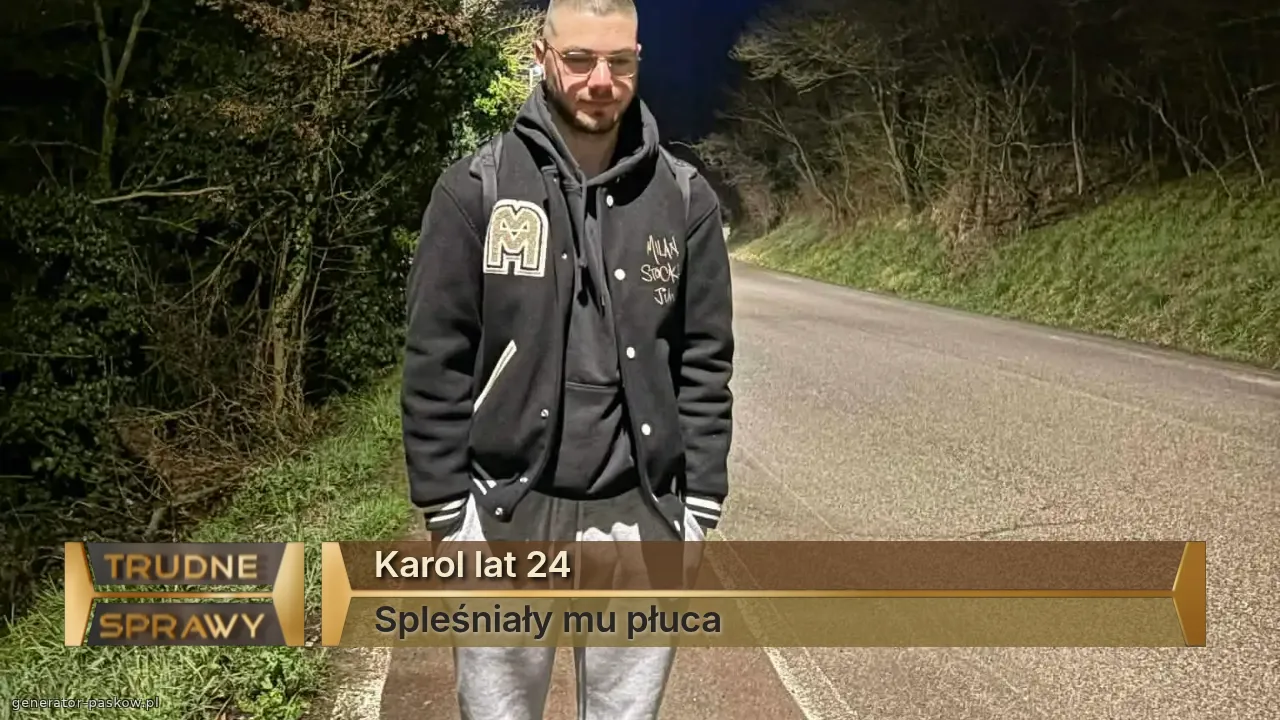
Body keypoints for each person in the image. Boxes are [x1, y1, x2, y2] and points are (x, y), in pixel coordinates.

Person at [400, 0, 734, 717]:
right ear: (543, 55)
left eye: (620, 61)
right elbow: (436, 355)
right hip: (503, 512)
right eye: (579, 59)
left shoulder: (685, 199)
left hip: (641, 516)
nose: (600, 81)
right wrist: (446, 512)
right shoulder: (475, 189)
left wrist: (699, 505)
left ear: (639, 59)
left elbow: (706, 359)